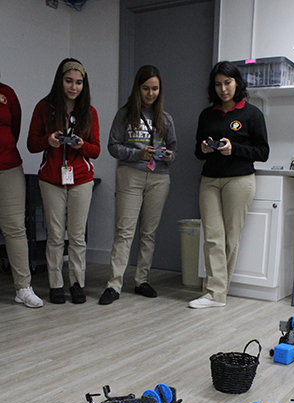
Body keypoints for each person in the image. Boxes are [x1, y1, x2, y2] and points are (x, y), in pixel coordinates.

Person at [189, 61, 269, 309]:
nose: (223, 89)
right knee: (212, 236)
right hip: (210, 180)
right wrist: (204, 149)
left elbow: (263, 152)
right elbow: (198, 152)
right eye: (218, 84)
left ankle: (216, 293)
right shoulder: (207, 114)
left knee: (230, 239)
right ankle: (215, 293)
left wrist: (234, 149)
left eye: (228, 83)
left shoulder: (252, 114)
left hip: (239, 180)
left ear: (237, 83)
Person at [99, 65, 177, 305]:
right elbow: (113, 146)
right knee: (124, 231)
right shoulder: (124, 115)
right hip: (130, 174)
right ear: (137, 88)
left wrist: (167, 155)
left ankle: (141, 280)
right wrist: (137, 153)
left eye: (155, 88)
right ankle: (114, 284)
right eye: (146, 88)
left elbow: (174, 149)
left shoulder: (166, 118)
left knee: (148, 233)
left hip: (159, 177)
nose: (150, 93)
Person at [27, 58, 100, 304]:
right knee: (56, 235)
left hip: (81, 178)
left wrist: (82, 145)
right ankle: (56, 285)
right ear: (60, 81)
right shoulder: (43, 108)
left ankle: (77, 284)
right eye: (69, 81)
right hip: (51, 179)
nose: (73, 87)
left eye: (79, 82)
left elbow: (96, 150)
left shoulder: (89, 112)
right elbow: (31, 143)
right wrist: (48, 140)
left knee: (77, 235)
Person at [0, 80, 43, 308]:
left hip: (8, 167)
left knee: (15, 227)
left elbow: (14, 129)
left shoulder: (6, 93)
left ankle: (23, 288)